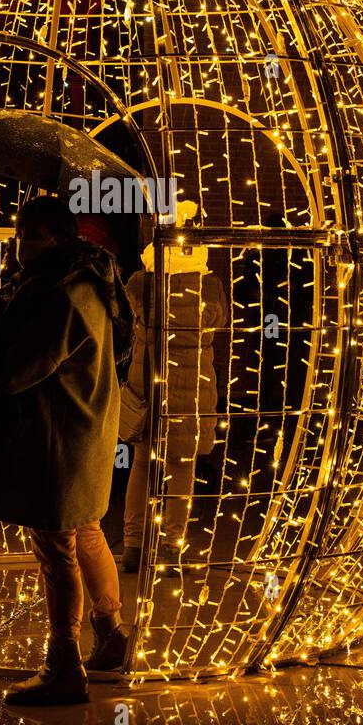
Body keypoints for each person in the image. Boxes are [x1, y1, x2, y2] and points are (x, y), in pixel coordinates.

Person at [0, 194, 133, 705]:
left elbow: (14, 372)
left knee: (57, 550)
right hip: (85, 432)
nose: (20, 245)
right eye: (18, 233)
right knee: (86, 531)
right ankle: (111, 634)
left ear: (59, 237)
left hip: (58, 441)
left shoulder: (56, 294)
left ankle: (64, 664)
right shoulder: (88, 282)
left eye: (32, 235)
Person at [120, 202, 228, 574]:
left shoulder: (140, 283)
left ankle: (133, 545)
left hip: (146, 388)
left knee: (141, 467)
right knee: (181, 469)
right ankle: (170, 546)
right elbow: (219, 323)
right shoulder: (210, 287)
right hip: (192, 389)